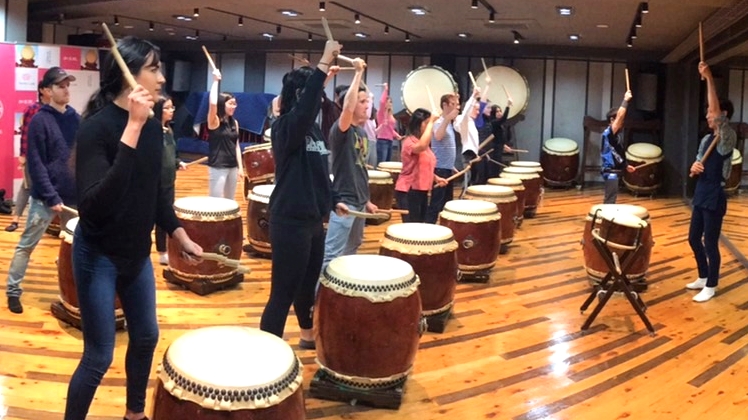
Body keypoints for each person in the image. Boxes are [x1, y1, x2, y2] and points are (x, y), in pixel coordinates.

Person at [65, 36, 202, 420]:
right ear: (129, 76)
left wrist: (179, 234)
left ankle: (134, 414)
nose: (162, 78)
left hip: (136, 256)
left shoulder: (156, 126)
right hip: (98, 256)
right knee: (98, 356)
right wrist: (133, 128)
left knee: (145, 337)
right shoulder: (97, 128)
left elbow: (153, 192)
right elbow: (93, 206)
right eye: (154, 68)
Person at [259, 40, 346, 347]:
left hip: (313, 222)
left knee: (307, 287)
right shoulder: (286, 128)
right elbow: (306, 106)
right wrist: (321, 65)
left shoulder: (312, 131)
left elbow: (320, 172)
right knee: (282, 292)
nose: (319, 100)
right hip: (289, 221)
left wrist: (333, 201)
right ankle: (266, 352)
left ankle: (307, 336)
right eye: (313, 93)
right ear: (299, 95)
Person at [5, 67, 79, 314]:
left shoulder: (75, 118)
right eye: (60, 86)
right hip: (45, 198)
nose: (66, 89)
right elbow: (36, 164)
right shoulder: (40, 120)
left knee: (78, 246)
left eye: (68, 85)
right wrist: (50, 196)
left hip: (73, 198)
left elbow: (81, 157)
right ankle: (13, 291)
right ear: (47, 91)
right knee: (26, 245)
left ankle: (77, 293)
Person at [685, 62, 737, 303]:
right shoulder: (706, 139)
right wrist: (694, 167)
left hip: (715, 194)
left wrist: (708, 78)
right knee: (694, 238)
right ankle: (704, 277)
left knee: (710, 241)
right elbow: (697, 162)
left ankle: (712, 285)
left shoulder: (727, 137)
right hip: (701, 191)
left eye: (710, 113)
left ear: (722, 115)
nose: (707, 116)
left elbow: (716, 113)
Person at [322, 57, 378, 273]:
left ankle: (340, 294)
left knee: (352, 248)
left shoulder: (362, 133)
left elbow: (360, 170)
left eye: (367, 101)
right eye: (362, 101)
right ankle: (319, 301)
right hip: (344, 202)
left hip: (360, 202)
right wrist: (357, 74)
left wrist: (368, 201)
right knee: (332, 254)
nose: (367, 105)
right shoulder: (341, 130)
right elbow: (346, 108)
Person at [5, 82, 51, 232]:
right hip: (33, 157)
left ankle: (51, 225)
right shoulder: (32, 110)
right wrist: (23, 155)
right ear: (42, 91)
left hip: (51, 158)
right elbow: (25, 134)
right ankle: (15, 220)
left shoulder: (56, 111)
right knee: (26, 187)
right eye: (50, 87)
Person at [395, 108, 447, 222]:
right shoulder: (409, 142)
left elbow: (423, 166)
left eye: (430, 123)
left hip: (421, 190)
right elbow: (421, 146)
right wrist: (432, 121)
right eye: (426, 123)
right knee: (412, 228)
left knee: (420, 226)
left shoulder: (425, 144)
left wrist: (436, 178)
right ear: (418, 124)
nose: (430, 126)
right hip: (409, 190)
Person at [155, 95, 187, 266]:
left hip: (168, 181)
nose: (171, 111)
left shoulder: (169, 130)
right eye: (167, 108)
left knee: (164, 217)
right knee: (146, 218)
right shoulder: (151, 131)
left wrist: (178, 162)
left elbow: (172, 155)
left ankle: (162, 251)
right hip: (153, 183)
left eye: (172, 108)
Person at [206, 69, 243, 199]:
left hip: (232, 166)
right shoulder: (214, 121)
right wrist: (215, 81)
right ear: (223, 104)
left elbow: (236, 146)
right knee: (215, 202)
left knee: (230, 202)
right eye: (231, 104)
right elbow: (212, 104)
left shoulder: (235, 122)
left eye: (235, 104)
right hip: (218, 167)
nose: (234, 106)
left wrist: (240, 167)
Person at [425, 93, 460, 223]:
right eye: (453, 104)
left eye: (457, 105)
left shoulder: (448, 123)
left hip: (446, 168)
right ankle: (428, 229)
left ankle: (444, 229)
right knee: (436, 204)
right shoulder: (438, 121)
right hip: (439, 169)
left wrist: (451, 165)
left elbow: (445, 147)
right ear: (444, 105)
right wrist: (447, 119)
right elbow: (438, 137)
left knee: (447, 204)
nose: (456, 107)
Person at [600, 90, 636, 204]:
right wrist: (625, 100)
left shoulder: (615, 136)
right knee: (610, 200)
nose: (622, 122)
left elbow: (617, 153)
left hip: (614, 171)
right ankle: (605, 220)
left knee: (611, 199)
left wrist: (626, 165)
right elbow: (620, 116)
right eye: (620, 121)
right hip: (610, 171)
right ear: (611, 120)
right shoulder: (609, 133)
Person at [455, 86, 482, 197]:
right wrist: (473, 96)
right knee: (467, 181)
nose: (478, 111)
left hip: (473, 154)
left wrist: (477, 154)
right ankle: (463, 201)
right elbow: (465, 111)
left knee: (472, 181)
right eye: (476, 109)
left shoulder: (471, 122)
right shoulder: (464, 120)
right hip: (468, 154)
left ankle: (468, 199)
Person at [484, 100, 517, 180]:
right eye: (497, 111)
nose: (499, 113)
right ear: (493, 113)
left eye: (500, 111)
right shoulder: (493, 122)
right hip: (493, 149)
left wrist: (504, 146)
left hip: (498, 148)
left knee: (497, 168)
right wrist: (508, 106)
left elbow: (499, 138)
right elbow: (503, 119)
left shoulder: (500, 124)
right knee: (494, 169)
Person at [375, 83, 402, 164]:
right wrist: (386, 89)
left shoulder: (390, 115)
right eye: (388, 102)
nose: (390, 103)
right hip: (382, 140)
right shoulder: (381, 113)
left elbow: (390, 129)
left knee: (387, 163)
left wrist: (397, 135)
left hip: (390, 141)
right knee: (382, 163)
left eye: (391, 102)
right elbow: (382, 102)